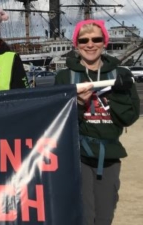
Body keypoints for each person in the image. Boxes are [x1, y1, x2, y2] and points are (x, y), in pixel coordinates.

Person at [54, 19, 140, 225]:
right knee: (84, 216)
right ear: (76, 44)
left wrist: (118, 94)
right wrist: (80, 105)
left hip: (109, 155)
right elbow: (57, 121)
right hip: (77, 155)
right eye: (83, 40)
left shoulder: (122, 74)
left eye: (96, 39)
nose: (90, 44)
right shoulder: (65, 77)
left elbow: (128, 117)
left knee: (104, 217)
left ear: (104, 42)